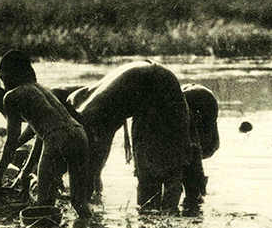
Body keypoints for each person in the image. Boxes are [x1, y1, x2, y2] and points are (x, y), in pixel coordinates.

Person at [69, 60, 199, 211]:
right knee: (154, 169)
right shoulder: (83, 103)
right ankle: (169, 211)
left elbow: (92, 162)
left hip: (157, 86)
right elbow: (96, 160)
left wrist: (82, 197)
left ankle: (174, 210)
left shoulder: (87, 117)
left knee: (167, 169)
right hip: (151, 85)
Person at [0, 50, 92, 219]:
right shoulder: (43, 89)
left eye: (3, 78)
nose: (3, 83)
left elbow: (11, 142)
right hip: (80, 134)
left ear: (13, 75)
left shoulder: (11, 97)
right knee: (79, 203)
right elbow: (41, 132)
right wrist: (27, 169)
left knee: (44, 207)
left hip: (56, 139)